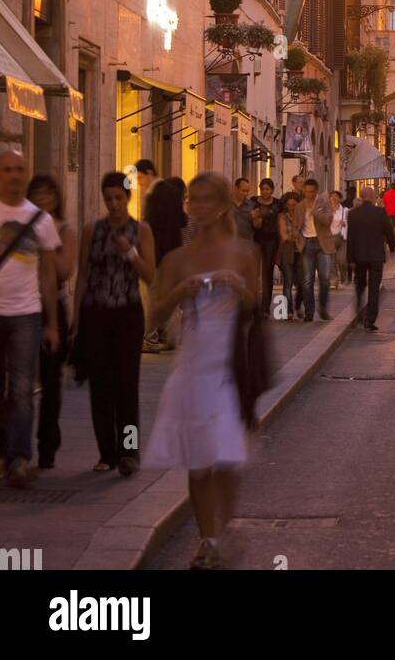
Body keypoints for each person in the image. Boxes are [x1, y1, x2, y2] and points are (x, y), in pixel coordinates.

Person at [143, 172, 259, 570]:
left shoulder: (244, 253)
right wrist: (179, 292)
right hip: (192, 370)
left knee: (226, 459)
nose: (201, 206)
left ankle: (222, 530)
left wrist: (241, 290)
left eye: (210, 199)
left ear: (224, 205)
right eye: (195, 199)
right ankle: (208, 539)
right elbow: (153, 315)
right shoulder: (178, 258)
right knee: (199, 460)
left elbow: (255, 309)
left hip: (229, 367)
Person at [73, 171, 155, 475]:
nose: (114, 204)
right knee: (100, 385)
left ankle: (129, 451)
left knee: (127, 386)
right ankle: (106, 453)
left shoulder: (141, 230)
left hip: (127, 315)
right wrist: (76, 317)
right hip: (96, 313)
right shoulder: (91, 230)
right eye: (108, 199)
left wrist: (131, 253)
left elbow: (151, 275)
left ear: (128, 198)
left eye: (118, 198)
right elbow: (83, 274)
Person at [0, 150, 60, 487]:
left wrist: (52, 323)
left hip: (26, 313)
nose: (13, 175)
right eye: (7, 169)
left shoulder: (41, 220)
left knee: (22, 389)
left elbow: (49, 275)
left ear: (27, 173)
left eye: (19, 169)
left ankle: (19, 457)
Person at [26, 174, 76, 470]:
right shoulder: (18, 225)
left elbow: (65, 270)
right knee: (18, 383)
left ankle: (47, 445)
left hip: (53, 306)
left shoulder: (64, 230)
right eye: (37, 194)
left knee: (50, 381)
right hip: (21, 304)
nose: (43, 199)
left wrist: (46, 242)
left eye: (49, 194)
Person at [142, 177, 186, 352]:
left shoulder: (152, 219)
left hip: (155, 258)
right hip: (174, 256)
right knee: (172, 298)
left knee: (150, 298)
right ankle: (171, 336)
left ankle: (150, 339)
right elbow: (183, 223)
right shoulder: (177, 212)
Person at [346, 187, 395, 331]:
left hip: (359, 256)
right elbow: (390, 233)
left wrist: (350, 259)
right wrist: (392, 249)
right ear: (373, 197)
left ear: (361, 196)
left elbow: (351, 238)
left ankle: (358, 304)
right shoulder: (380, 212)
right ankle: (370, 319)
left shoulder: (353, 214)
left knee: (360, 284)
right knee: (374, 287)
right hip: (376, 256)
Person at [293, 177, 335, 322]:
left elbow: (329, 220)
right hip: (307, 244)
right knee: (307, 280)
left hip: (322, 244)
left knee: (325, 279)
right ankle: (309, 312)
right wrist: (298, 241)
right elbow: (296, 225)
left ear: (316, 191)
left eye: (311, 192)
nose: (308, 194)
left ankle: (323, 309)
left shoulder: (324, 203)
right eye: (306, 192)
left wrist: (315, 213)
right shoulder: (300, 206)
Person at [249, 178, 284, 317]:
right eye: (262, 189)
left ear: (272, 190)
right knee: (253, 274)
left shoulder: (277, 204)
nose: (265, 192)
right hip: (256, 240)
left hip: (271, 242)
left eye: (267, 189)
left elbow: (281, 221)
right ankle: (253, 306)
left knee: (267, 274)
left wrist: (281, 242)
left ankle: (265, 308)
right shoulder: (253, 202)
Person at [277, 195, 303, 320]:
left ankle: (298, 306)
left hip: (300, 252)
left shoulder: (301, 217)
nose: (292, 207)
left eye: (294, 205)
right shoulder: (282, 217)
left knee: (301, 284)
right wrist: (296, 236)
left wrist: (294, 236)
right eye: (289, 205)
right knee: (287, 283)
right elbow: (284, 236)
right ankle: (289, 311)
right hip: (287, 252)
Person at [329, 191, 348, 290]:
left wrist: (345, 223)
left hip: (341, 237)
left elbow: (349, 223)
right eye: (332, 197)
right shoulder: (327, 210)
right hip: (330, 237)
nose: (334, 198)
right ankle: (334, 280)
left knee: (341, 260)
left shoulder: (345, 210)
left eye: (336, 197)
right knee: (331, 261)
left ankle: (343, 278)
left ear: (340, 199)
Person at [231, 177, 255, 241]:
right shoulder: (225, 204)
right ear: (236, 188)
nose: (246, 194)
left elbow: (257, 226)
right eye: (243, 191)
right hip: (228, 243)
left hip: (245, 244)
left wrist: (256, 218)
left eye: (247, 191)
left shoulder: (251, 205)